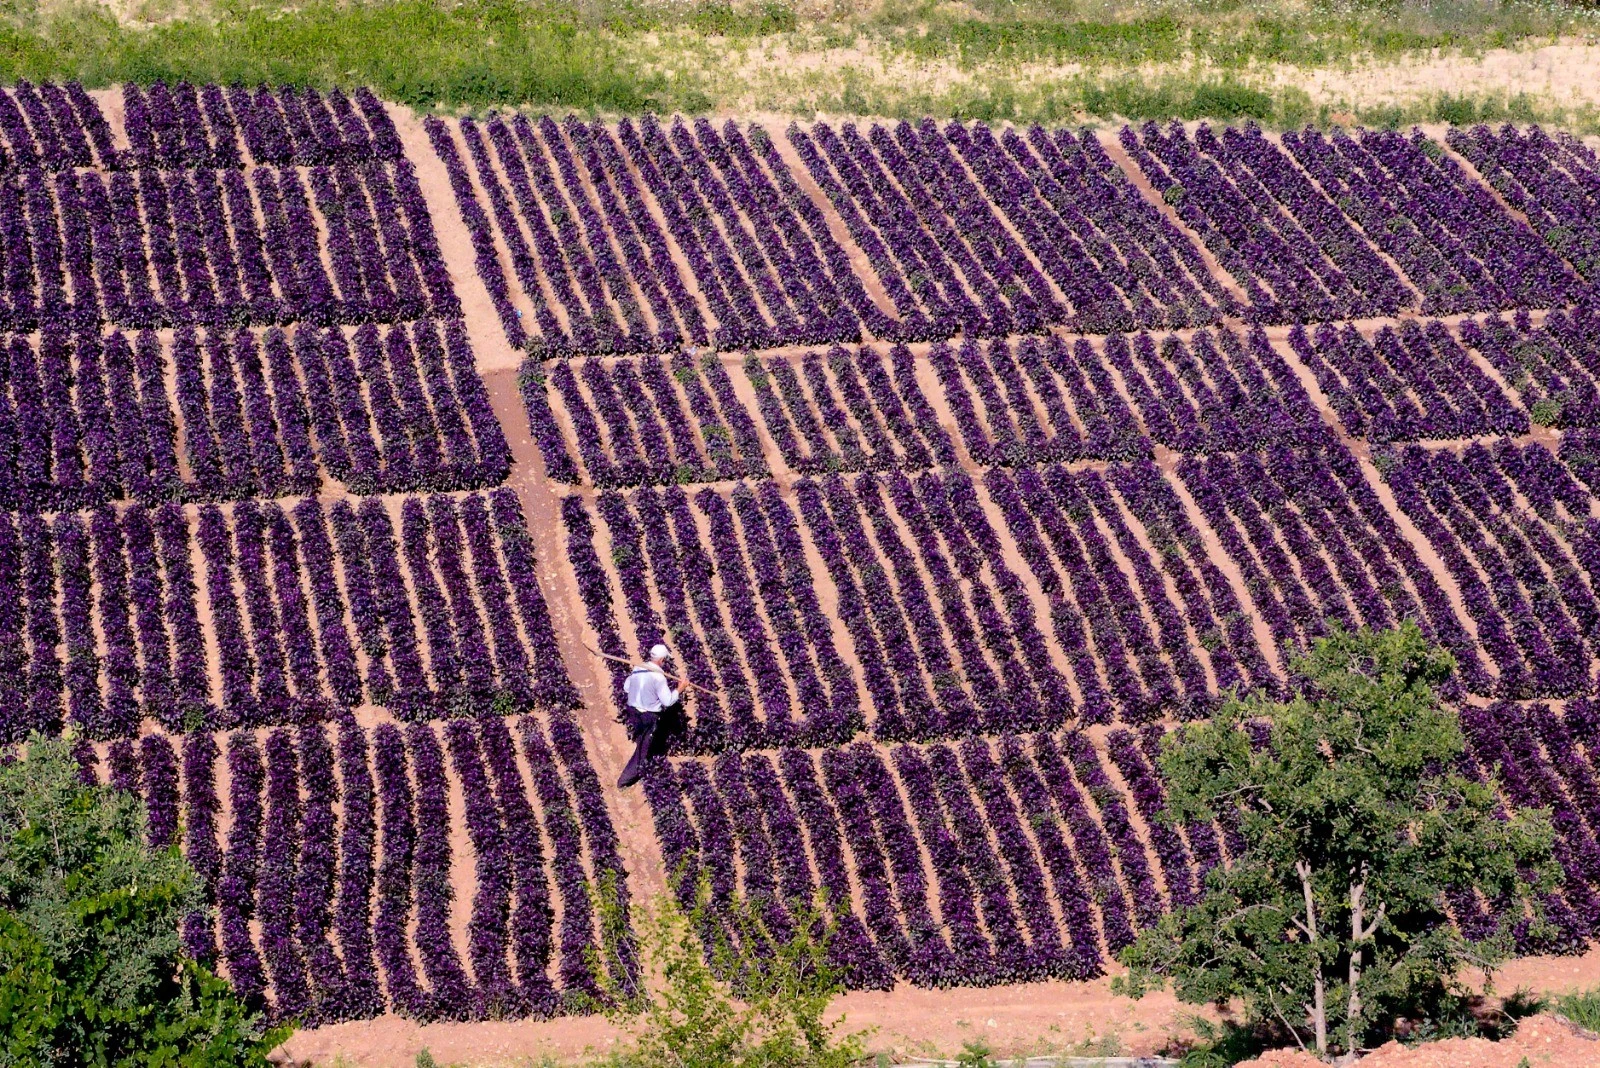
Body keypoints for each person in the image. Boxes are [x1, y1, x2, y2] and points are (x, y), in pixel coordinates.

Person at [618, 643, 687, 788]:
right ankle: (624, 781)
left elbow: (626, 688)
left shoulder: (638, 668)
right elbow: (667, 701)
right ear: (662, 660)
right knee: (643, 749)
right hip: (647, 716)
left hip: (633, 711)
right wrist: (679, 689)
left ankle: (641, 743)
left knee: (642, 738)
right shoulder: (659, 677)